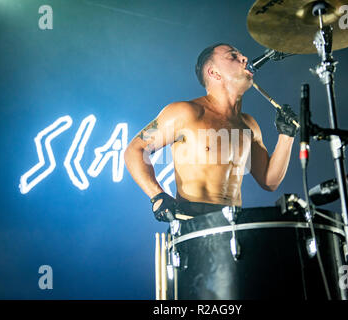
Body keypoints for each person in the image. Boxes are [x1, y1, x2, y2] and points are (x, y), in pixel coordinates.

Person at [124, 43, 298, 222]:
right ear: (214, 73)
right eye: (233, 56)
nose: (244, 59)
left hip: (234, 221)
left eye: (242, 55)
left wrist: (287, 135)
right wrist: (157, 196)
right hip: (192, 222)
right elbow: (135, 150)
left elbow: (269, 182)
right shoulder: (185, 112)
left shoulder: (249, 125)